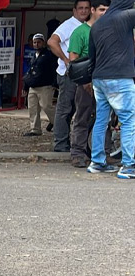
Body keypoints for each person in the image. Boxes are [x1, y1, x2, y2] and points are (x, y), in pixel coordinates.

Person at [87, 0, 135, 179]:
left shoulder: (97, 25)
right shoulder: (126, 16)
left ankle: (97, 162)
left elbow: (92, 56)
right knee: (129, 120)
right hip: (120, 78)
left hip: (99, 78)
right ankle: (128, 166)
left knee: (101, 120)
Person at [67, 0, 110, 168]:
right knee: (82, 117)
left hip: (104, 81)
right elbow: (73, 59)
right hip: (85, 83)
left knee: (104, 118)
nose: (104, 13)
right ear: (93, 10)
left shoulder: (107, 31)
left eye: (107, 9)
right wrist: (84, 81)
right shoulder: (80, 32)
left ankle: (104, 152)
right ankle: (77, 152)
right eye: (101, 9)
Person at [47, 0, 91, 152]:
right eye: (80, 8)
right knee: (65, 109)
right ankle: (60, 144)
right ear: (74, 10)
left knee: (77, 109)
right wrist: (66, 61)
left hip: (83, 74)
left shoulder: (88, 26)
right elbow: (52, 42)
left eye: (86, 8)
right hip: (68, 74)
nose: (84, 11)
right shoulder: (69, 25)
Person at [22, 34, 57, 137]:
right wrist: (26, 86)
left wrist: (54, 83)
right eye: (34, 42)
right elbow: (30, 72)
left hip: (45, 86)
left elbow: (54, 69)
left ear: (43, 42)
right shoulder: (34, 56)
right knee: (32, 108)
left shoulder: (49, 55)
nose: (36, 44)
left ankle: (58, 124)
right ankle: (35, 129)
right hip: (33, 86)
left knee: (47, 107)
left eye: (39, 42)